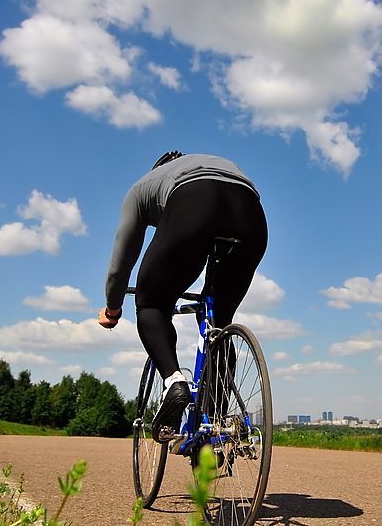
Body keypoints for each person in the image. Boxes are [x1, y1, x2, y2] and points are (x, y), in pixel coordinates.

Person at [98, 151, 268, 442]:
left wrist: (113, 307)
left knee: (152, 302)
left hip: (194, 204)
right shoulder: (212, 162)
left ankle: (174, 382)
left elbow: (121, 262)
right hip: (251, 214)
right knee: (219, 321)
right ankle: (213, 427)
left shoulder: (141, 188)